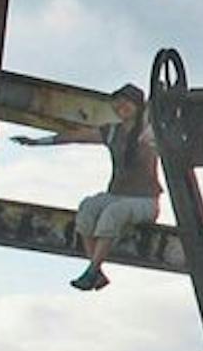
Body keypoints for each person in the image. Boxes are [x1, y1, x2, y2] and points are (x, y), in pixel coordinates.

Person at [12, 83, 160, 291]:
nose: (121, 107)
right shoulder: (112, 132)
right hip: (117, 194)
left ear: (137, 105)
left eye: (126, 102)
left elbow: (164, 138)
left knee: (113, 213)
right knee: (88, 208)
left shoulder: (151, 131)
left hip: (145, 201)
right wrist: (38, 142)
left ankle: (92, 270)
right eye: (118, 103)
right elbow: (76, 136)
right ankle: (95, 271)